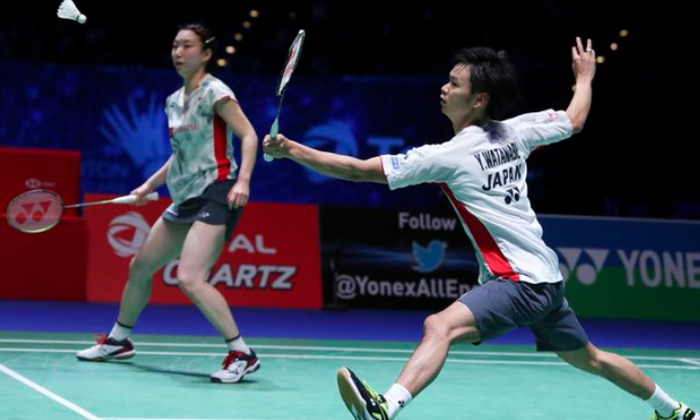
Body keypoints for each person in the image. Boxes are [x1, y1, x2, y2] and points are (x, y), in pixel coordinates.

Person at [263, 37, 698, 419]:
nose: (444, 87)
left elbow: (361, 171)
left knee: (440, 326)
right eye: (447, 79)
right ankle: (674, 410)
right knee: (592, 359)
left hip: (519, 281)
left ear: (478, 100)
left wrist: (291, 150)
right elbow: (575, 118)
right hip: (546, 278)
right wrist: (584, 78)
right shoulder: (518, 131)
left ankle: (385, 408)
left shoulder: (449, 156)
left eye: (454, 84)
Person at [77, 22, 261, 384]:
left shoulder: (216, 92)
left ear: (206, 54)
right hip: (185, 196)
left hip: (218, 189)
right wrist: (147, 186)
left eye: (187, 46)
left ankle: (242, 352)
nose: (178, 52)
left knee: (189, 278)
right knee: (140, 266)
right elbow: (178, 157)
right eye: (175, 45)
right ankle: (118, 340)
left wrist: (243, 181)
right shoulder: (173, 102)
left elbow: (249, 134)